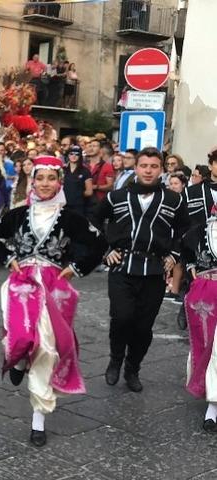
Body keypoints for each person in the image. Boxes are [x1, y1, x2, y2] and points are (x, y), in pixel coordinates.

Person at [0, 155, 106, 447]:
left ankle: (38, 418)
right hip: (21, 284)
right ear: (32, 181)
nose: (45, 184)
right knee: (22, 337)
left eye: (51, 178)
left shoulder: (71, 218)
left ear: (59, 182)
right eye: (40, 178)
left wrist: (75, 268)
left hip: (54, 288)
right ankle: (18, 360)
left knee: (48, 349)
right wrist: (8, 258)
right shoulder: (17, 214)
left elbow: (98, 243)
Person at [92, 147, 188, 393]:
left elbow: (185, 230)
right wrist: (105, 249)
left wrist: (174, 254)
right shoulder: (117, 196)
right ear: (136, 168)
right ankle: (115, 359)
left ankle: (132, 368)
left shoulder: (174, 200)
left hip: (154, 270)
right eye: (144, 166)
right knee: (122, 317)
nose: (148, 171)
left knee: (143, 327)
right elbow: (92, 221)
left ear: (161, 170)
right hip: (122, 266)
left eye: (154, 166)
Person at [181, 201, 217, 432]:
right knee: (207, 345)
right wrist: (191, 269)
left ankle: (212, 409)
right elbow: (184, 249)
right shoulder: (200, 231)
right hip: (207, 293)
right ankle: (212, 403)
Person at [61, 145, 93, 216]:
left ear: (80, 156)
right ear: (68, 155)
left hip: (78, 206)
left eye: (77, 154)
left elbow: (89, 192)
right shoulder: (63, 170)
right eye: (71, 154)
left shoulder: (85, 171)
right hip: (63, 204)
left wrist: (77, 194)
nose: (74, 156)